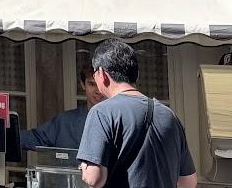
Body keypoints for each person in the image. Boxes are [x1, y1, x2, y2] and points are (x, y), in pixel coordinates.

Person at [77, 39, 197, 188]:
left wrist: (85, 166)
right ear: (136, 75)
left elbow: (95, 178)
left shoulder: (101, 112)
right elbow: (188, 182)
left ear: (102, 74)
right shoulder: (169, 116)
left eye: (95, 74)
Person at [20, 65, 106, 152]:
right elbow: (32, 138)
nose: (98, 91)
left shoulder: (114, 121)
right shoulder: (64, 122)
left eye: (103, 84)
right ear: (83, 85)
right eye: (92, 84)